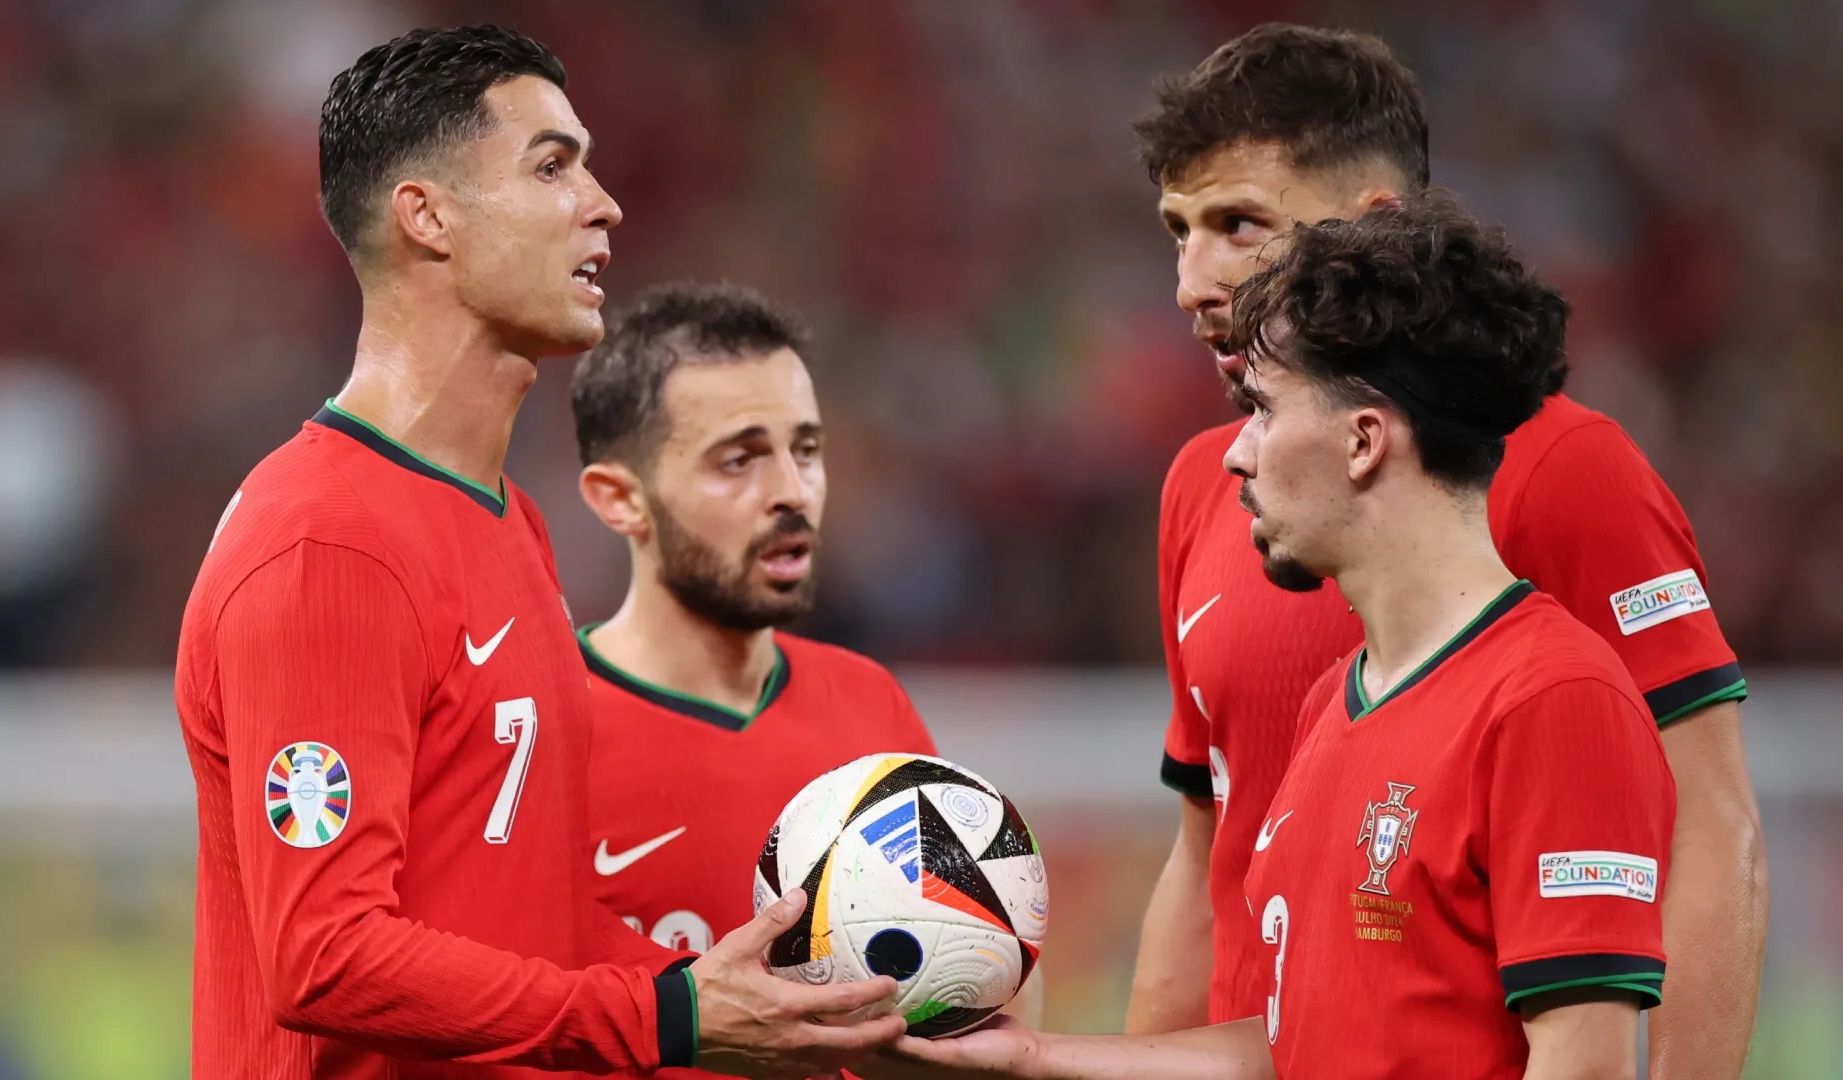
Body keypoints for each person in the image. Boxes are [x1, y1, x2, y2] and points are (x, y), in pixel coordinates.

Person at [174, 26, 904, 1080]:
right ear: (427, 217)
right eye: (552, 166)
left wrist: (746, 1002)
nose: (603, 204)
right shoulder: (329, 542)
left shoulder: (504, 523)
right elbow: (323, 957)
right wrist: (663, 1017)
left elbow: (528, 926)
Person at [890, 194, 1674, 1079]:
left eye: (1262, 410)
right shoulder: (1333, 704)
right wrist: (1031, 1056)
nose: (1237, 453)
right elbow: (1292, 1049)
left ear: (1363, 441)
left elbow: (1584, 1064)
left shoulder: (1554, 700)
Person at [1121, 25, 1764, 1078]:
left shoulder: (1565, 470)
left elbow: (1708, 826)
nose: (1194, 280)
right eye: (1178, 229)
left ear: (1373, 225)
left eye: (1241, 224)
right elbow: (1204, 861)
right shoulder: (1208, 486)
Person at [568, 281, 937, 961]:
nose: (792, 493)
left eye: (805, 451)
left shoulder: (870, 706)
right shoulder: (539, 733)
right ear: (620, 500)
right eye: (739, 461)